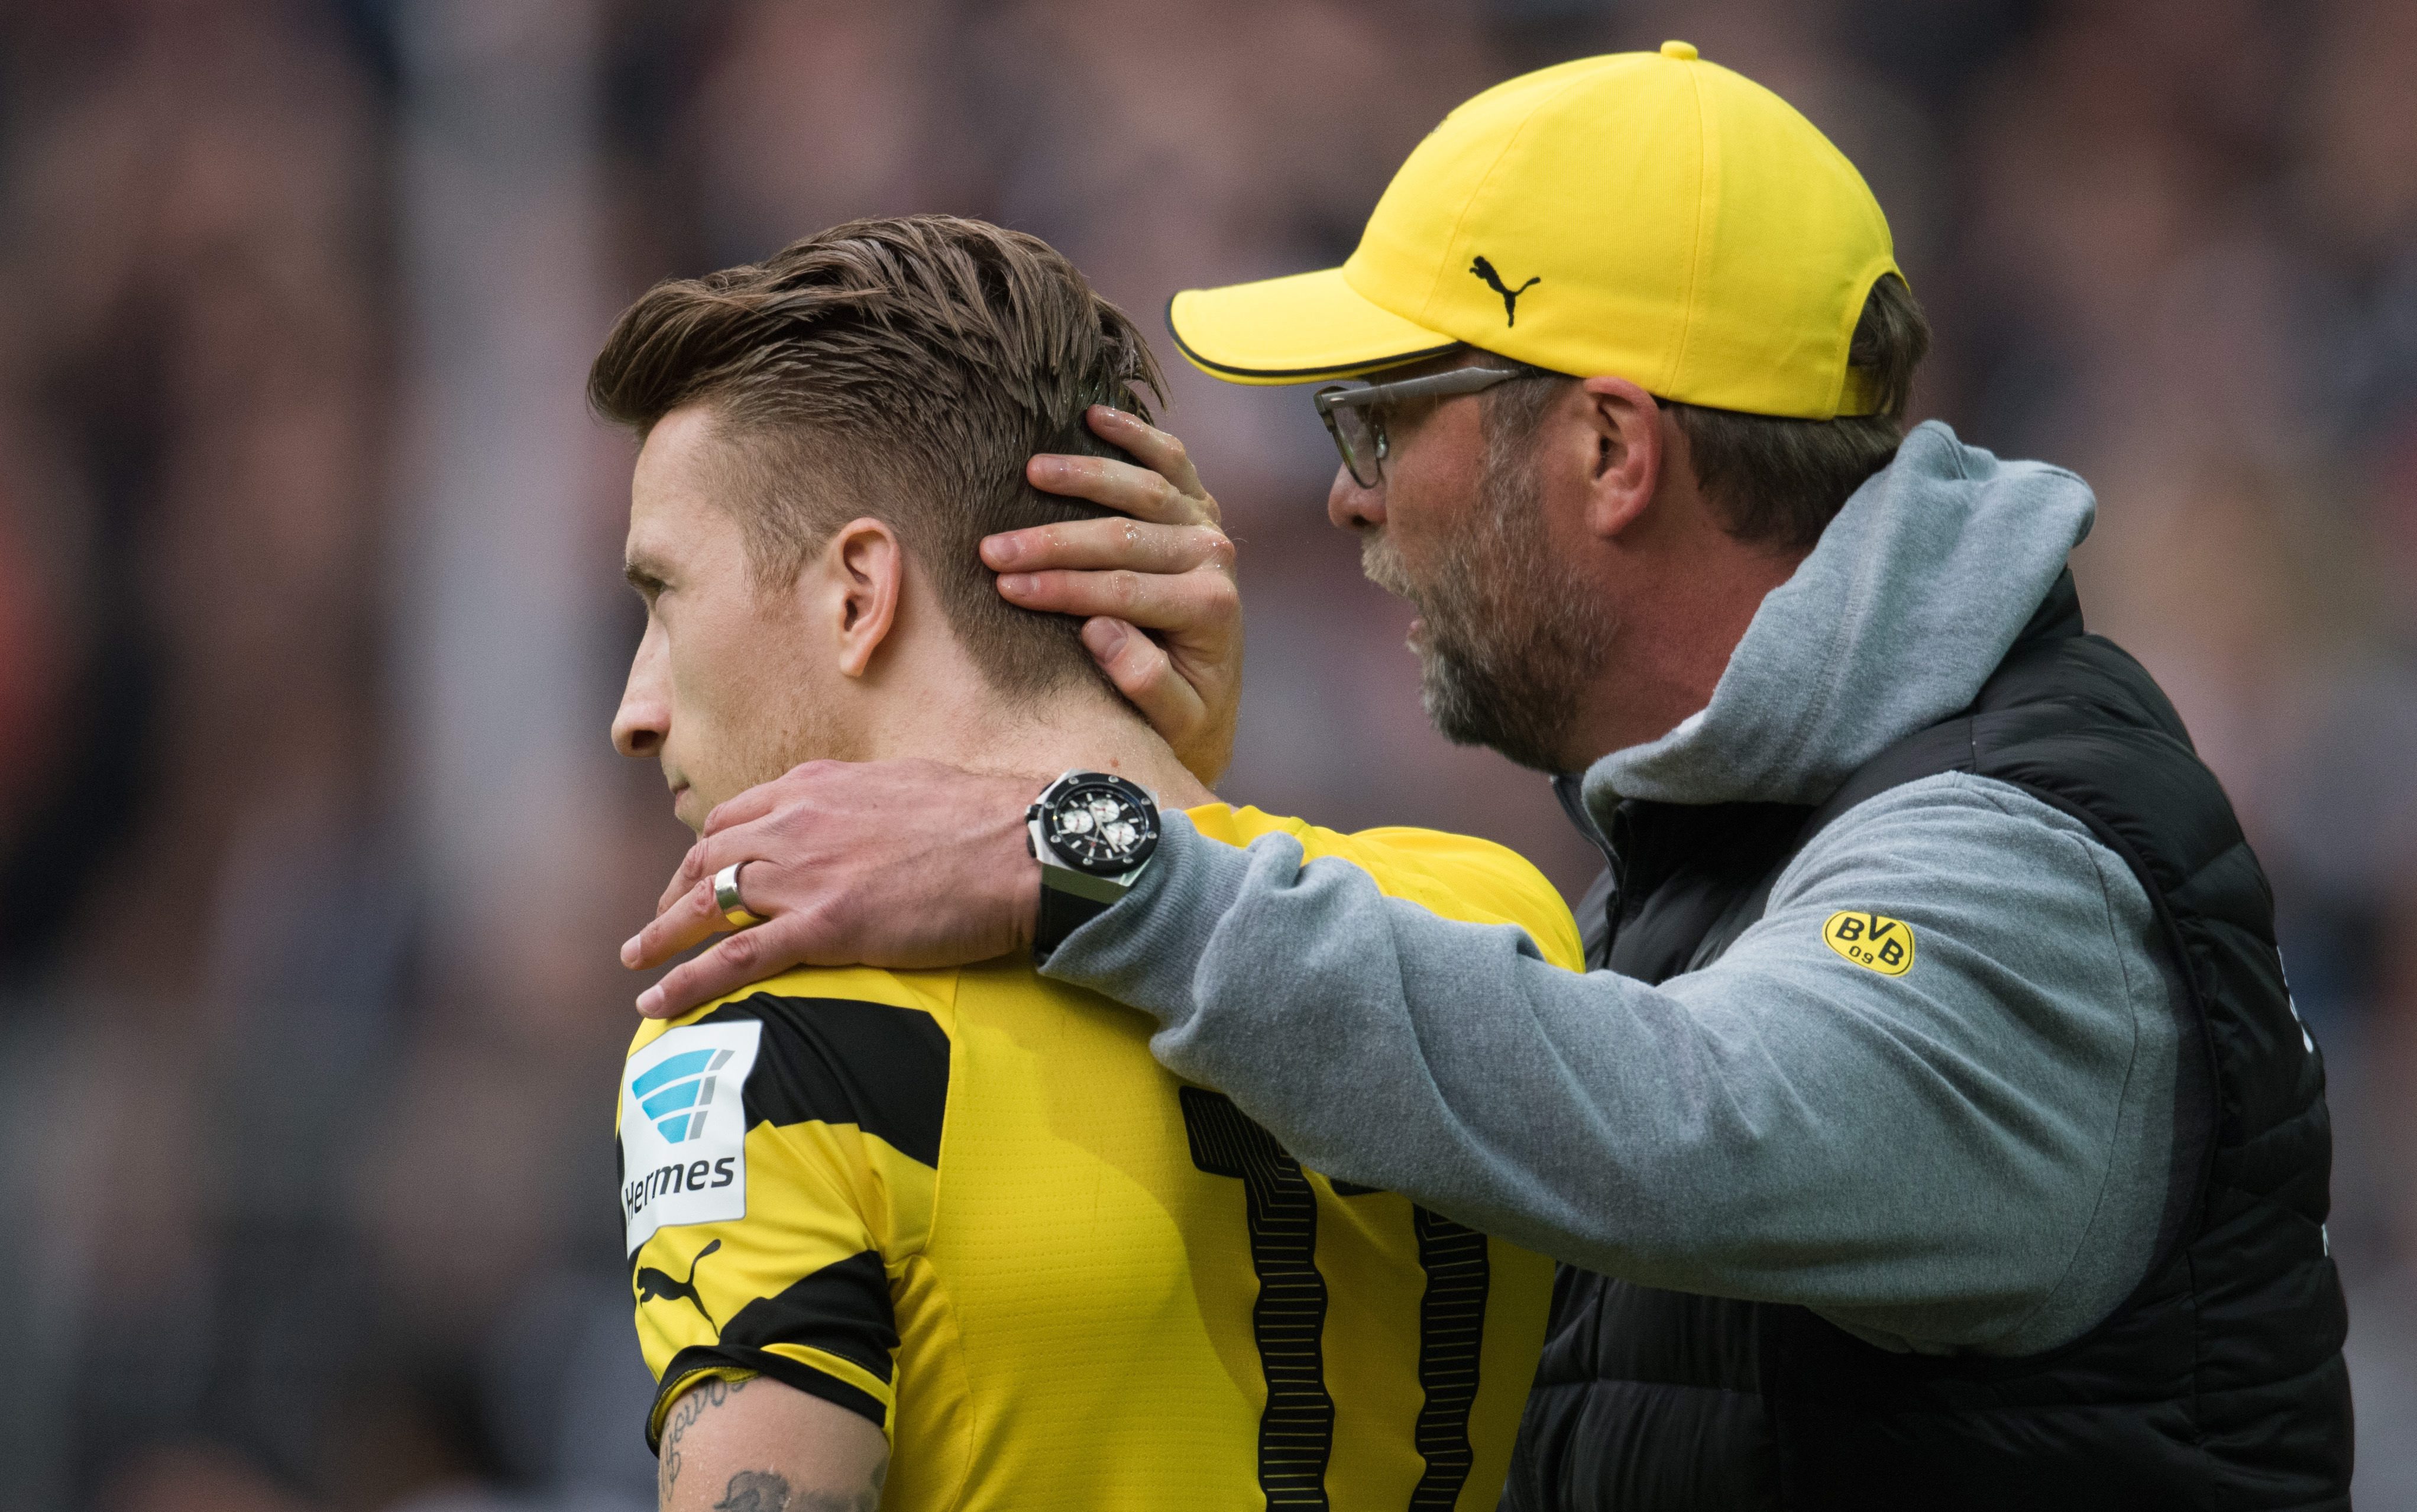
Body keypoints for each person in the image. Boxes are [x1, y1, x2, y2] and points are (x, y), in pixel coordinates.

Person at [618, 47, 2354, 1510]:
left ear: (1607, 448)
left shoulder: (2020, 868)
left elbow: (1696, 1120)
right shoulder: (1703, 856)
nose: (1347, 497)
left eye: (1380, 416)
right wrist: (1165, 787)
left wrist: (1092, 846)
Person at [597, 215, 1584, 1512]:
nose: (635, 711)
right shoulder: (1495, 910)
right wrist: (1163, 782)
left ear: (858, 593)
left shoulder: (777, 1034)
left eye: (663, 599)